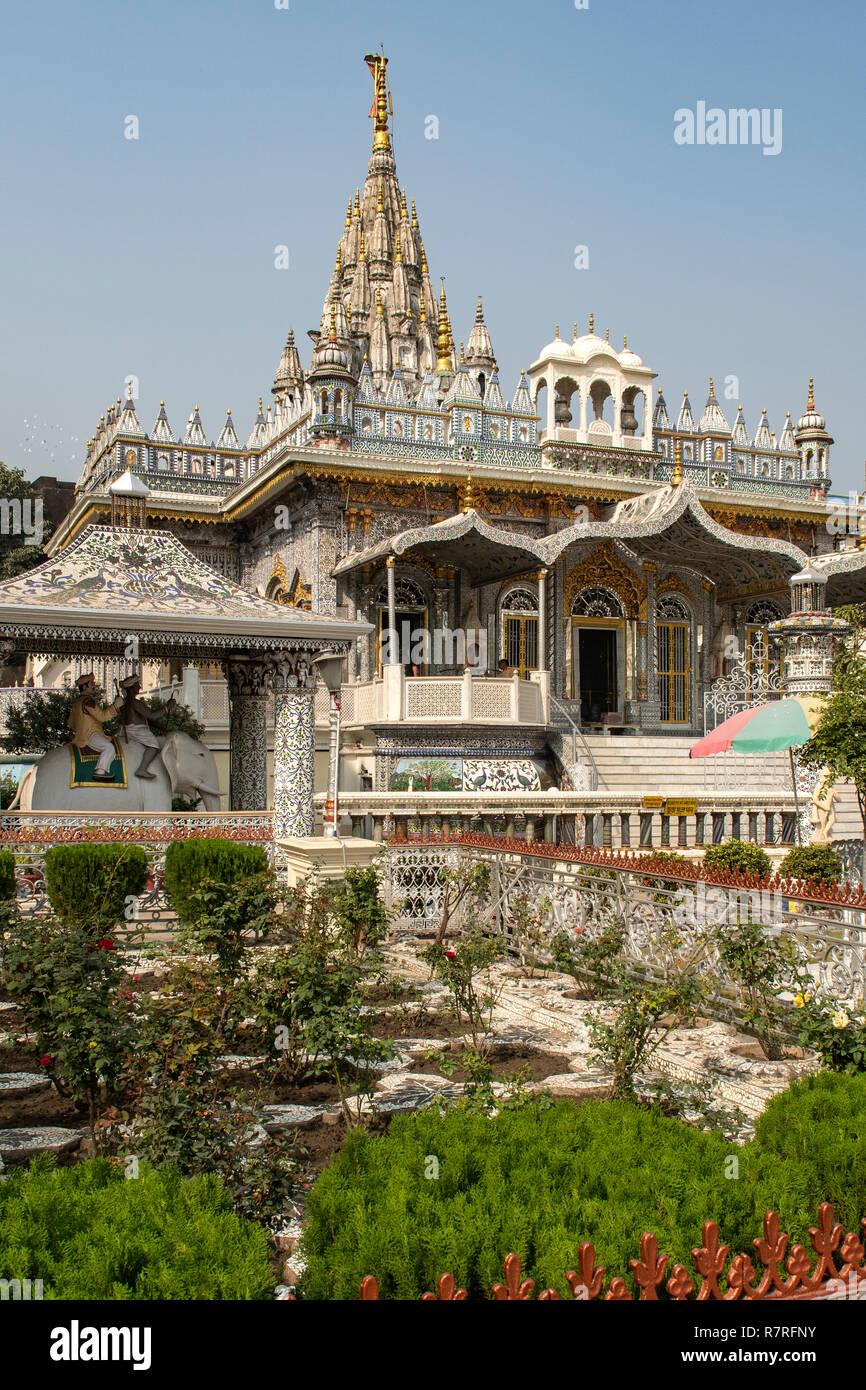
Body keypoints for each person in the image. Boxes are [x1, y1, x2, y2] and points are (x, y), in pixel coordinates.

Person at [115, 673, 175, 780]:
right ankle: (142, 769)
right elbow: (152, 716)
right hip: (135, 730)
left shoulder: (128, 702)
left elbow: (147, 720)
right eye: (137, 685)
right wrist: (167, 707)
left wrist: (162, 728)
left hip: (130, 730)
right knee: (154, 745)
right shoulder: (134, 702)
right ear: (131, 688)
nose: (139, 687)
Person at [67, 673, 119, 782]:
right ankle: (100, 771)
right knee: (109, 748)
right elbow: (102, 717)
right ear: (85, 687)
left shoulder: (77, 702)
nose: (94, 685)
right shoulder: (88, 700)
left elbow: (71, 724)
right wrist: (115, 706)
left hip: (82, 735)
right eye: (92, 684)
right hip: (90, 735)